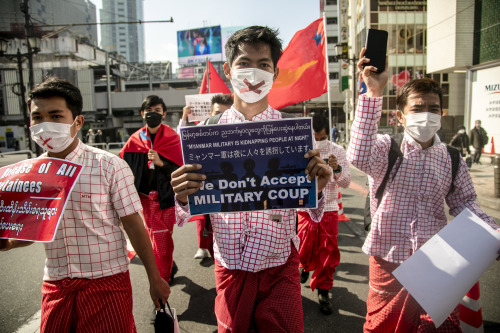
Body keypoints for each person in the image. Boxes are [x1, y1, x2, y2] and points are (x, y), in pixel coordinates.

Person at [170, 26, 332, 333]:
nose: (254, 73)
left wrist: (318, 190)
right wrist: (181, 196)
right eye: (245, 63)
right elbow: (185, 208)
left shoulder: (293, 133)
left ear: (275, 73)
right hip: (230, 267)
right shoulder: (206, 133)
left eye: (264, 65)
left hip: (280, 265)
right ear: (229, 71)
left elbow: (311, 209)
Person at [0, 77, 170, 332]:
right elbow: (33, 230)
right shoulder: (29, 174)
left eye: (56, 116)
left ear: (77, 121)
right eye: (37, 117)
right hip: (56, 284)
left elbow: (134, 225)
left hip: (108, 283)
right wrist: (9, 243)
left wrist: (154, 278)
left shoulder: (109, 165)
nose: (45, 125)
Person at [347, 50, 500, 332]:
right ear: (400, 117)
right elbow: (356, 155)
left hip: (437, 261)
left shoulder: (452, 159)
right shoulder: (385, 148)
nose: (427, 115)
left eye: (433, 109)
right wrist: (373, 92)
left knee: (439, 327)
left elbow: (467, 205)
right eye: (417, 109)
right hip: (387, 259)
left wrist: (493, 233)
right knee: (384, 326)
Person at [120, 95, 183, 285]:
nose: (153, 114)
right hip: (145, 201)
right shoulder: (134, 141)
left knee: (162, 240)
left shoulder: (173, 139)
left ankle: (161, 281)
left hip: (166, 199)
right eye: (149, 111)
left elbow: (181, 170)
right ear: (142, 113)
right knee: (153, 239)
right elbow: (123, 170)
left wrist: (161, 163)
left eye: (157, 111)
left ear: (164, 114)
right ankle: (168, 267)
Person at [298, 115, 351, 315]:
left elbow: (345, 182)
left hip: (328, 208)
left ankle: (324, 290)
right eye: (314, 136)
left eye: (320, 137)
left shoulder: (337, 151)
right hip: (305, 207)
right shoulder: (301, 150)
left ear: (327, 133)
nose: (317, 140)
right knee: (304, 246)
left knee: (328, 251)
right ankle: (305, 265)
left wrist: (336, 168)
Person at [177, 94, 233, 260]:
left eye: (225, 114)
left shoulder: (240, 133)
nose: (221, 118)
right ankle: (203, 246)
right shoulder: (201, 130)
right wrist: (184, 118)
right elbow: (182, 140)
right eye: (217, 113)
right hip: (207, 186)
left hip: (231, 189)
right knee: (203, 218)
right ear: (210, 114)